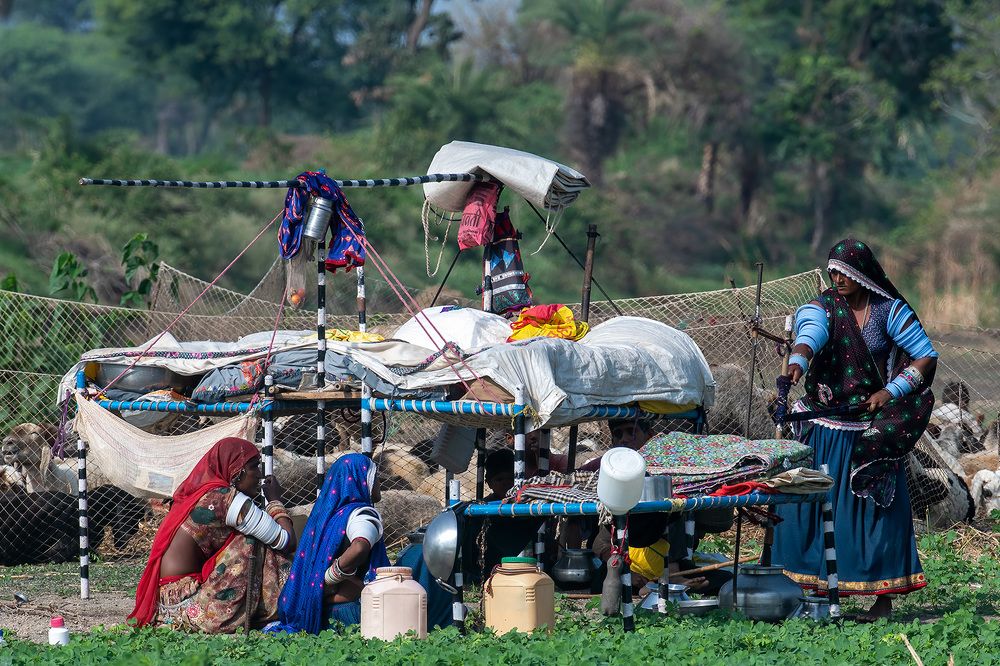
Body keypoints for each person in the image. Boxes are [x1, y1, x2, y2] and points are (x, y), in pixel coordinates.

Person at [775, 238, 938, 621]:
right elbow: (809, 336)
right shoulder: (823, 308)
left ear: (863, 273)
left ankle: (881, 600)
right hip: (822, 426)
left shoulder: (889, 311)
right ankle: (805, 590)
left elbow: (925, 356)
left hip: (870, 434)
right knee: (807, 510)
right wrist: (798, 362)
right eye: (832, 271)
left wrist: (890, 390)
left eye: (844, 272)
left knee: (876, 515)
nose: (837, 278)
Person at [128, 437, 295, 631]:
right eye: (254, 467)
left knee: (256, 531)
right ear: (237, 471)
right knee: (253, 539)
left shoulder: (203, 492)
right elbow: (286, 540)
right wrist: (275, 500)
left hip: (165, 605)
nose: (259, 475)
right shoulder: (224, 497)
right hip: (188, 605)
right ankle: (287, 600)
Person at [270, 453, 390, 633]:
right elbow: (360, 546)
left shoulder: (328, 518)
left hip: (323, 609)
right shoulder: (362, 514)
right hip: (353, 611)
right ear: (359, 479)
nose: (378, 482)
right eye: (374, 476)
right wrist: (329, 577)